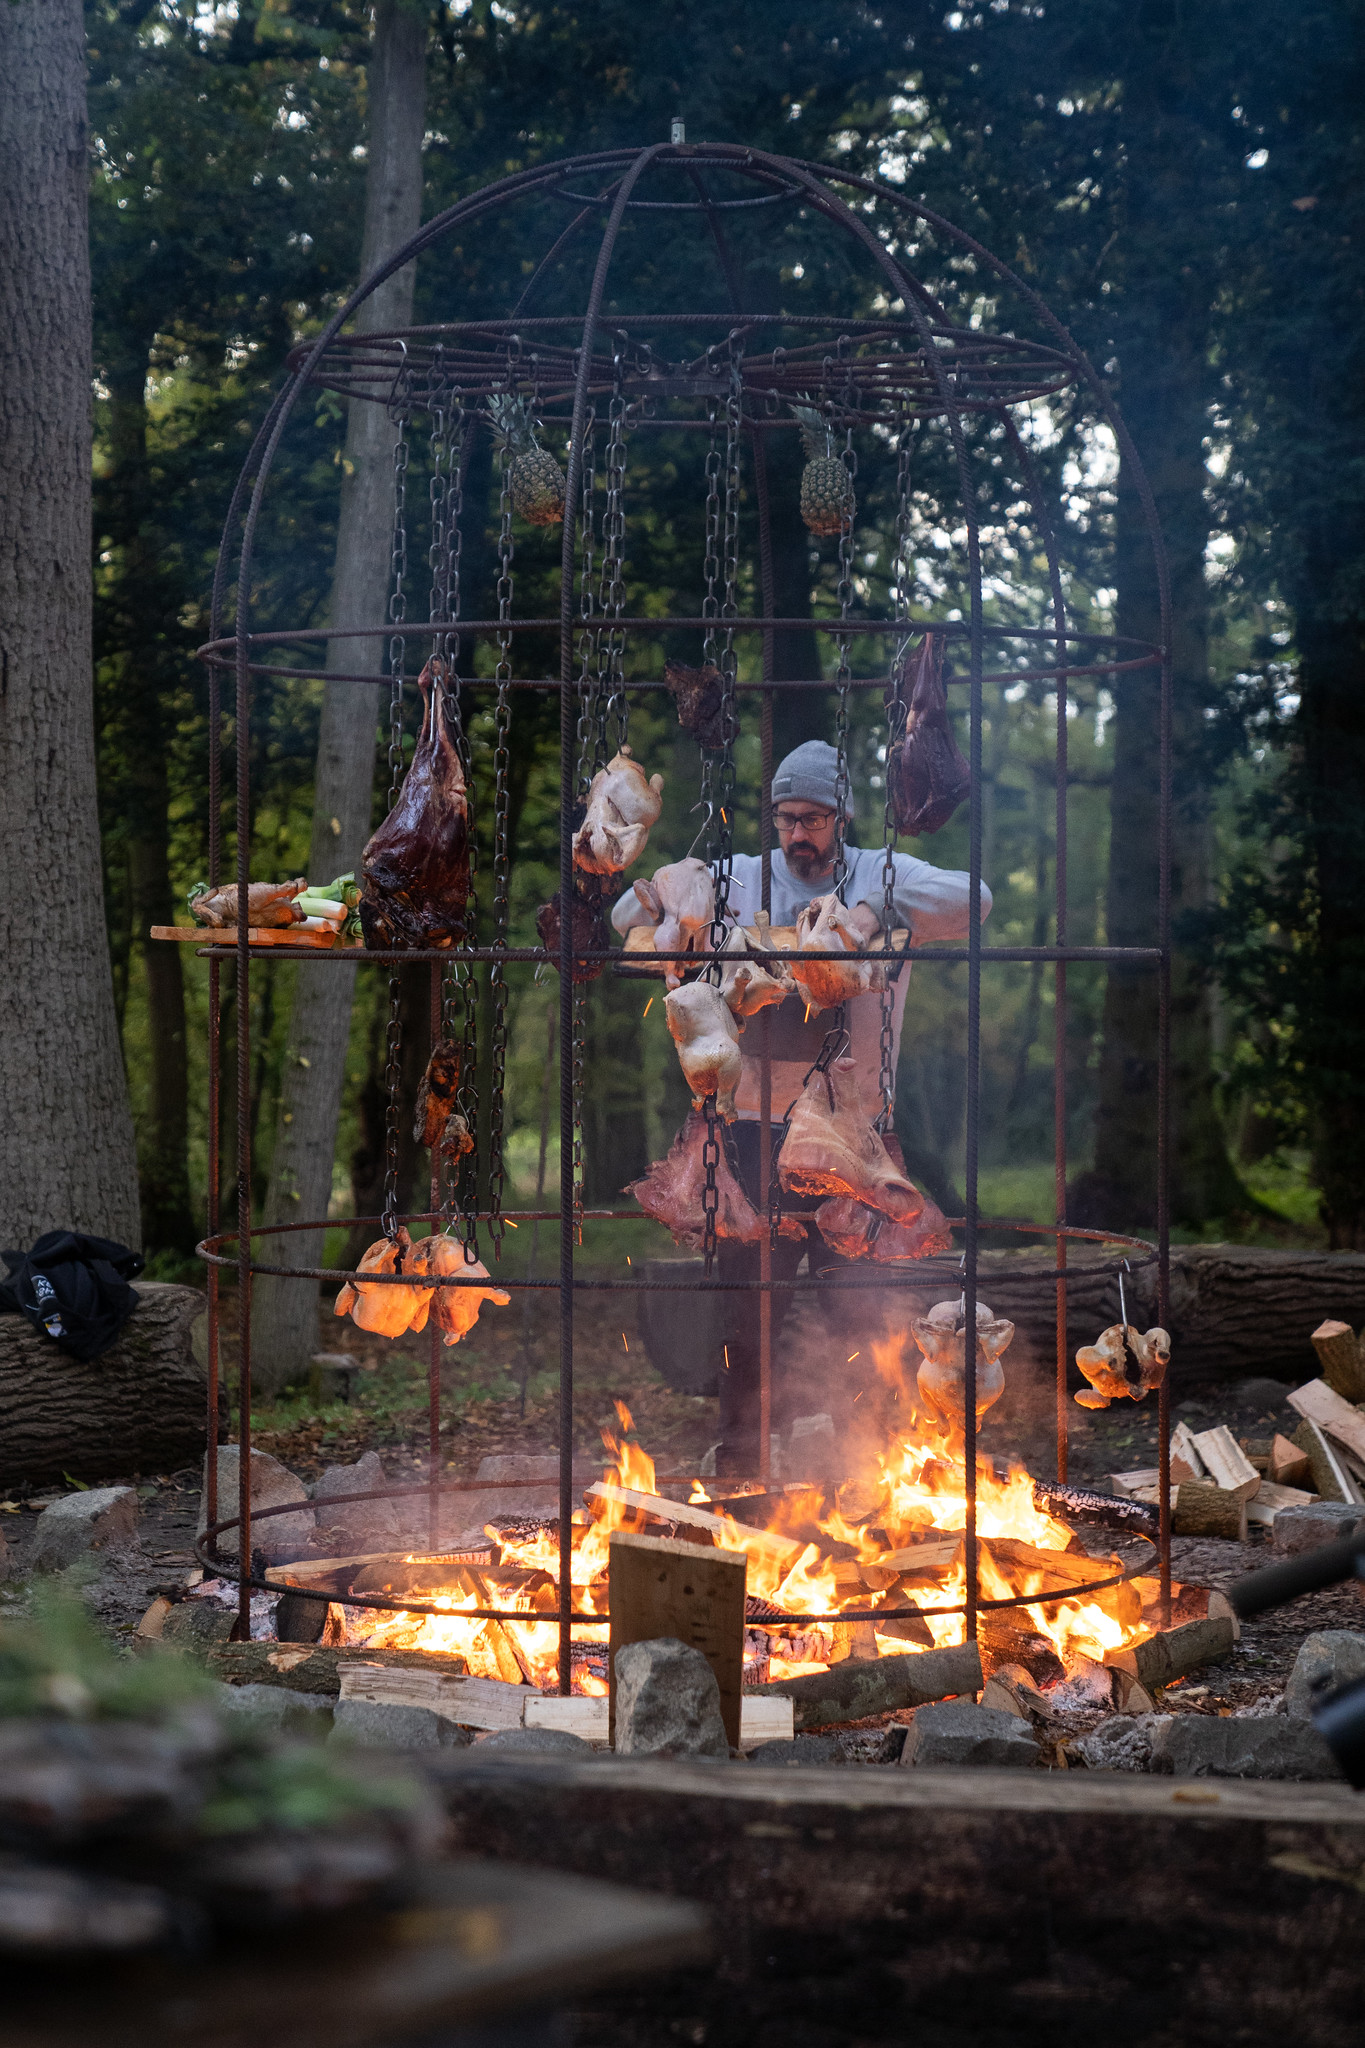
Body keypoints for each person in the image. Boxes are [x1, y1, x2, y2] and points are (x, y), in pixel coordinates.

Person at [613, 739, 991, 1474]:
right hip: (748, 1131)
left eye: (814, 819)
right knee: (746, 1316)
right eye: (787, 818)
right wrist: (670, 885)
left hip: (853, 1136)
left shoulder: (883, 873)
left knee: (860, 1309)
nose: (798, 834)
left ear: (841, 818)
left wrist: (874, 909)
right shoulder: (736, 878)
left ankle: (863, 1468)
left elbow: (974, 900)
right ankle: (742, 1466)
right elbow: (624, 918)